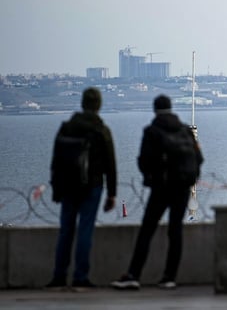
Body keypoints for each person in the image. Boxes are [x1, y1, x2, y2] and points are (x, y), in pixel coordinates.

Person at [111, 94, 203, 290]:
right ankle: (169, 277)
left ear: (154, 109)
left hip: (161, 187)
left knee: (147, 230)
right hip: (183, 187)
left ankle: (134, 274)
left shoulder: (152, 131)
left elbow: (144, 160)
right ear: (171, 108)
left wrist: (150, 178)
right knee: (175, 231)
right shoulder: (185, 130)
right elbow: (199, 158)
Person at [47, 86, 117, 289]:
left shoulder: (67, 127)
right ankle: (80, 276)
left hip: (67, 187)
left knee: (65, 231)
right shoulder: (101, 130)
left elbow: (56, 160)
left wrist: (55, 187)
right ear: (99, 105)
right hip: (92, 187)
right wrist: (111, 194)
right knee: (85, 230)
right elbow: (110, 164)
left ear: (83, 103)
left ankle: (59, 276)